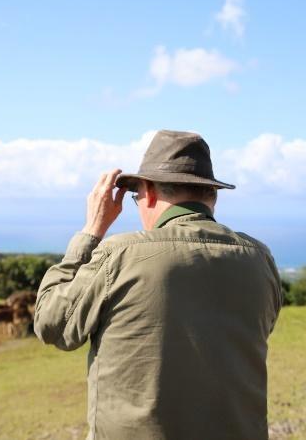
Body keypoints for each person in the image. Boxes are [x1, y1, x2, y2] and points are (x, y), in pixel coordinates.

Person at [34, 130, 284, 440]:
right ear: (212, 196)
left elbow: (51, 323)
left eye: (136, 195)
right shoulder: (259, 259)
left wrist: (90, 231)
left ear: (149, 192)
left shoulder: (121, 254)